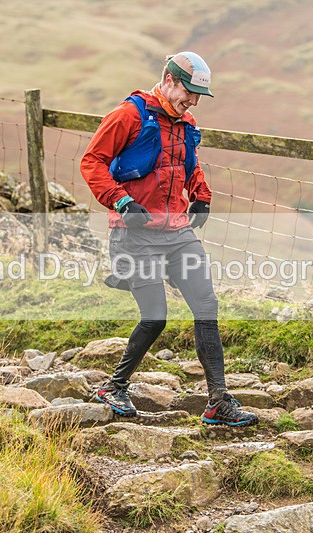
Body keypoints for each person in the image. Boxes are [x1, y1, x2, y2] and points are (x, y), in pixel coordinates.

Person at [80, 51, 258, 427]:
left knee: (206, 304)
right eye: (188, 92)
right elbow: (92, 162)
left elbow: (187, 165)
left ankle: (218, 402)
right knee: (155, 317)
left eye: (197, 96)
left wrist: (202, 195)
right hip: (135, 235)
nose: (192, 101)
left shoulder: (186, 122)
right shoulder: (127, 116)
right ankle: (115, 387)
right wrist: (121, 200)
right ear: (169, 80)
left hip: (177, 232)